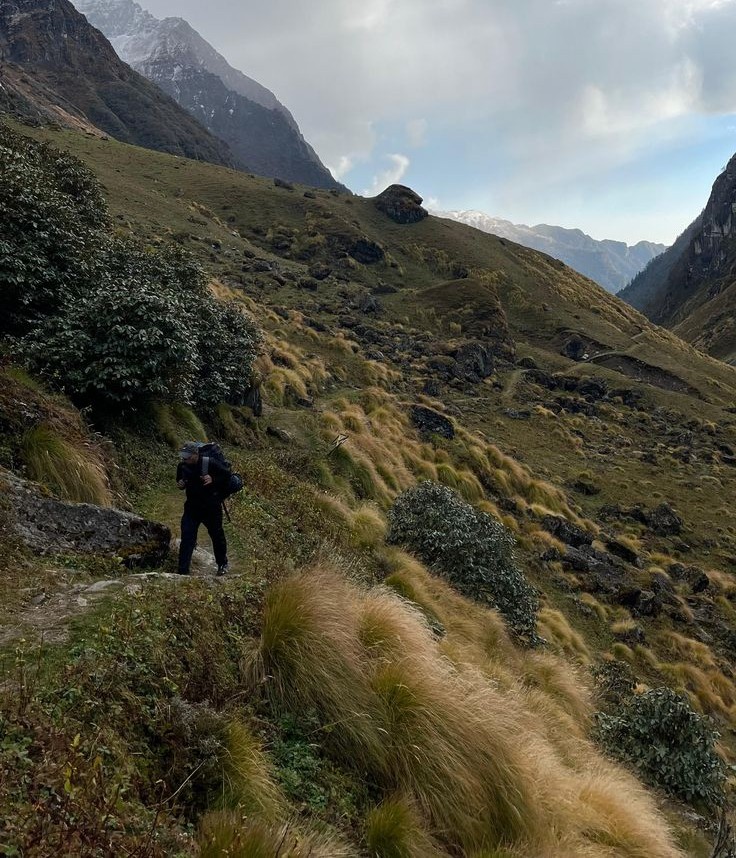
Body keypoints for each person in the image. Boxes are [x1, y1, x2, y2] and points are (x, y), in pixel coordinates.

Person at [176, 441, 229, 576]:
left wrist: (213, 479)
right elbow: (179, 482)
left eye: (188, 456)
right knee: (187, 537)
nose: (185, 458)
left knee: (217, 536)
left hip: (211, 507)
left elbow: (227, 475)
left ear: (195, 454)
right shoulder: (182, 466)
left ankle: (222, 563)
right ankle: (183, 571)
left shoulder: (209, 462)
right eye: (183, 455)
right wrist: (180, 484)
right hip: (192, 508)